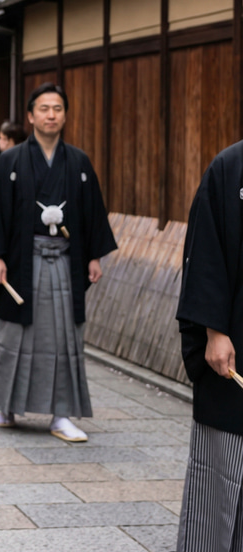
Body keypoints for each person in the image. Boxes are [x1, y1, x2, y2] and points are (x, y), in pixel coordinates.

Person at [0, 83, 116, 442]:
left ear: (64, 115)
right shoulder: (11, 161)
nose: (51, 115)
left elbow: (91, 213)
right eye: (44, 108)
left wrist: (94, 256)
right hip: (22, 262)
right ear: (31, 115)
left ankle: (61, 414)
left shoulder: (79, 162)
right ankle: (5, 403)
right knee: (14, 334)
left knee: (65, 336)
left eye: (57, 108)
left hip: (65, 261)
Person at [176, 141, 243, 551]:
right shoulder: (231, 167)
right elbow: (206, 254)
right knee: (226, 465)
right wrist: (214, 331)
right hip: (237, 332)